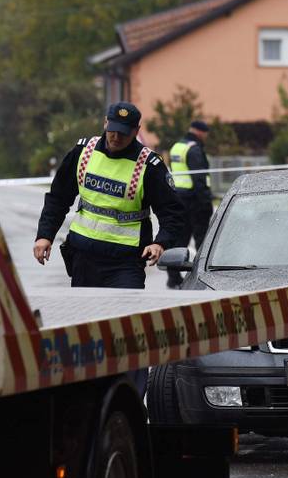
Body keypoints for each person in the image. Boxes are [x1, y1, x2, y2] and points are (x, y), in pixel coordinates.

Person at [33, 102, 185, 394]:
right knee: (85, 329)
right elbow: (57, 197)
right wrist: (45, 235)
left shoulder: (148, 165)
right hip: (84, 259)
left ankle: (130, 395)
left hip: (125, 265)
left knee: (127, 331)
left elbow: (173, 213)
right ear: (105, 123)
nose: (116, 138)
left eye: (124, 134)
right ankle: (88, 392)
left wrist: (160, 242)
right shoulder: (83, 152)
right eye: (113, 131)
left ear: (136, 132)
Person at [166, 120, 214, 289]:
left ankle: (173, 276)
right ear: (201, 132)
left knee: (180, 238)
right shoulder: (194, 149)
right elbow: (199, 179)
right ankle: (201, 275)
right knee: (202, 240)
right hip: (195, 200)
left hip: (179, 198)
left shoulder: (177, 146)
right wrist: (206, 202)